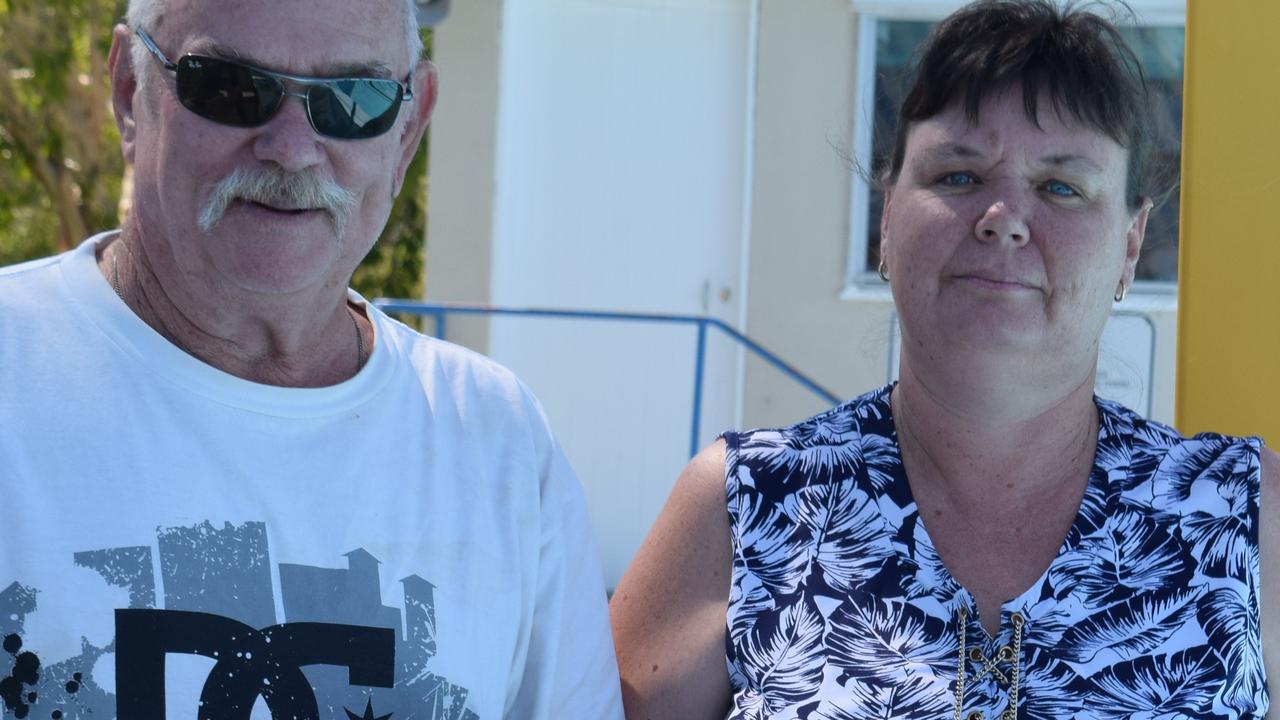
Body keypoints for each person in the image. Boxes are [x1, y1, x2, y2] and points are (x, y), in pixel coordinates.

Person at [610, 1, 1278, 718]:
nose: (1004, 219)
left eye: (1061, 186)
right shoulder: (746, 503)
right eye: (959, 176)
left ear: (1129, 245)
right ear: (888, 221)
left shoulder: (1245, 512)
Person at [0, 0, 623, 717]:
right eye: (231, 86)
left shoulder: (499, 444)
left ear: (410, 125)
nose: (292, 147)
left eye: (351, 100)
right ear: (129, 93)